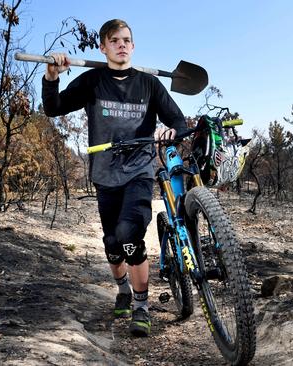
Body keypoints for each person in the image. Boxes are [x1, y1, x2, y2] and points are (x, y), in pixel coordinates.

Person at [42, 19, 186, 337]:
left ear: (132, 46)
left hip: (139, 171)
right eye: (114, 40)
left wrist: (171, 130)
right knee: (112, 243)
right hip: (105, 175)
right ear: (103, 47)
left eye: (126, 40)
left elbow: (176, 118)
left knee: (130, 234)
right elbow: (53, 108)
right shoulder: (93, 81)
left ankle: (141, 306)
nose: (121, 44)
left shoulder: (149, 85)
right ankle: (122, 289)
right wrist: (52, 76)